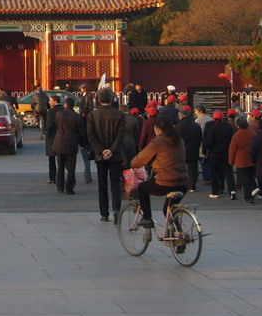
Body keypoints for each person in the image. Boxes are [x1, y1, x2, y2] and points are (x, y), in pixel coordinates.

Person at [128, 117, 188, 227]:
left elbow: (140, 159)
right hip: (183, 183)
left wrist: (131, 163)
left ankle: (147, 218)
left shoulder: (158, 142)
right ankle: (178, 236)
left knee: (142, 188)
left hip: (165, 182)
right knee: (168, 210)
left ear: (158, 129)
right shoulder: (179, 140)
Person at [87, 89, 125, 223]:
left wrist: (102, 150)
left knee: (102, 184)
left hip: (100, 155)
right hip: (116, 155)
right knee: (115, 183)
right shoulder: (119, 115)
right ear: (112, 99)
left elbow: (91, 136)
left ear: (99, 100)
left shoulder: (92, 115)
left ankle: (104, 213)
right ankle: (116, 210)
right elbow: (120, 136)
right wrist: (111, 150)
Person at [51, 96, 83, 194]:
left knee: (60, 166)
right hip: (71, 143)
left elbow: (56, 124)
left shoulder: (59, 114)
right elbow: (81, 131)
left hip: (59, 142)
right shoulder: (77, 116)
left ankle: (60, 186)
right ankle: (69, 187)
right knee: (71, 168)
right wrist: (82, 143)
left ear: (65, 105)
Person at [203, 110, 236, 199]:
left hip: (214, 154)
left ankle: (215, 191)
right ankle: (232, 191)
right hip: (226, 153)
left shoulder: (212, 129)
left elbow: (208, 142)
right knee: (228, 172)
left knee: (214, 172)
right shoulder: (228, 127)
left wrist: (208, 150)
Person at [229, 116, 258, 204]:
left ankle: (247, 197)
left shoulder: (237, 135)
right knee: (250, 177)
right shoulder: (252, 133)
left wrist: (231, 161)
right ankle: (255, 188)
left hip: (241, 161)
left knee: (244, 180)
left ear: (238, 125)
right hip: (251, 160)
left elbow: (232, 149)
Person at [176, 106, 202, 192]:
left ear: (181, 116)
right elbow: (200, 138)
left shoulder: (178, 126)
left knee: (181, 167)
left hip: (182, 150)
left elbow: (176, 139)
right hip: (194, 149)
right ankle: (192, 185)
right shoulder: (196, 125)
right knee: (193, 167)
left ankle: (182, 184)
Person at [44, 94, 64, 185]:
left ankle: (52, 177)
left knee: (52, 159)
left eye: (50, 100)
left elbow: (49, 126)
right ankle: (61, 177)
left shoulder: (51, 112)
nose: (49, 102)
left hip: (52, 137)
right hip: (63, 136)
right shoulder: (64, 110)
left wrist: (47, 133)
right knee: (61, 160)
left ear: (55, 101)